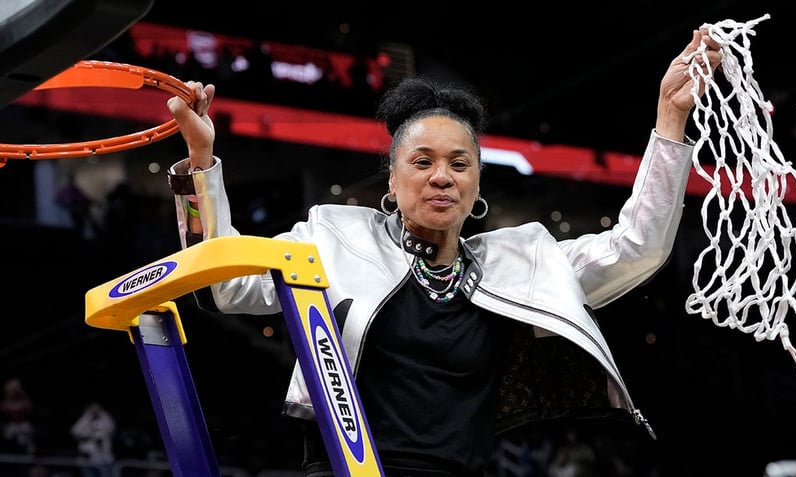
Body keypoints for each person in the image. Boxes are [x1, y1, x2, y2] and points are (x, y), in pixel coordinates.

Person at [164, 28, 721, 477]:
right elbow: (225, 283)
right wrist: (200, 160)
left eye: (460, 164)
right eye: (422, 161)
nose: (442, 178)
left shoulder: (520, 263)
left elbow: (637, 247)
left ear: (477, 184)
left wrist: (669, 121)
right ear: (392, 176)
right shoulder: (333, 236)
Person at [70, 401, 117, 477]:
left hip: (104, 459)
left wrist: (101, 413)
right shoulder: (85, 421)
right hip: (87, 460)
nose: (94, 410)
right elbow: (75, 431)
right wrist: (87, 416)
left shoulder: (104, 420)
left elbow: (111, 428)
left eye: (96, 409)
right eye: (92, 409)